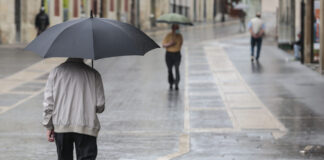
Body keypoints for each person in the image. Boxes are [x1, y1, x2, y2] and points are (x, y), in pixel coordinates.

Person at [42, 58, 105, 160]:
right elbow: (100, 105)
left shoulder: (55, 72)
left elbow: (49, 103)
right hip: (86, 127)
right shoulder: (94, 74)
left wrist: (49, 126)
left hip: (61, 126)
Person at [162, 24, 183, 91]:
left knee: (177, 69)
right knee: (169, 70)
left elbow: (180, 44)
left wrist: (173, 43)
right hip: (169, 55)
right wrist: (170, 44)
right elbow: (164, 44)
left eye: (178, 28)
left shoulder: (180, 36)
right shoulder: (168, 35)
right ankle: (171, 83)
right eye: (176, 28)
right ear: (172, 28)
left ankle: (176, 83)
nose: (177, 29)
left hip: (177, 54)